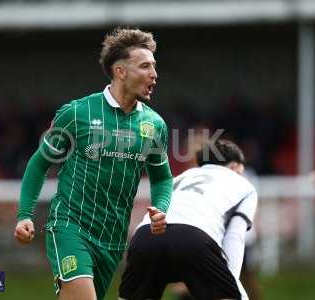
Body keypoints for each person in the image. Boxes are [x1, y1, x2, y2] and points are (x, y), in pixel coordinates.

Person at [14, 27, 173, 300]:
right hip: (70, 226)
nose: (154, 74)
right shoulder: (78, 113)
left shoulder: (154, 125)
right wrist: (24, 215)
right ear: (120, 71)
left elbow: (162, 178)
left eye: (154, 67)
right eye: (145, 66)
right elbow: (40, 163)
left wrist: (160, 208)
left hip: (112, 239)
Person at [119, 139, 258, 300]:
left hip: (144, 237)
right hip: (194, 239)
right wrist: (229, 283)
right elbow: (235, 237)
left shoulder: (180, 177)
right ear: (234, 166)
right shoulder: (244, 185)